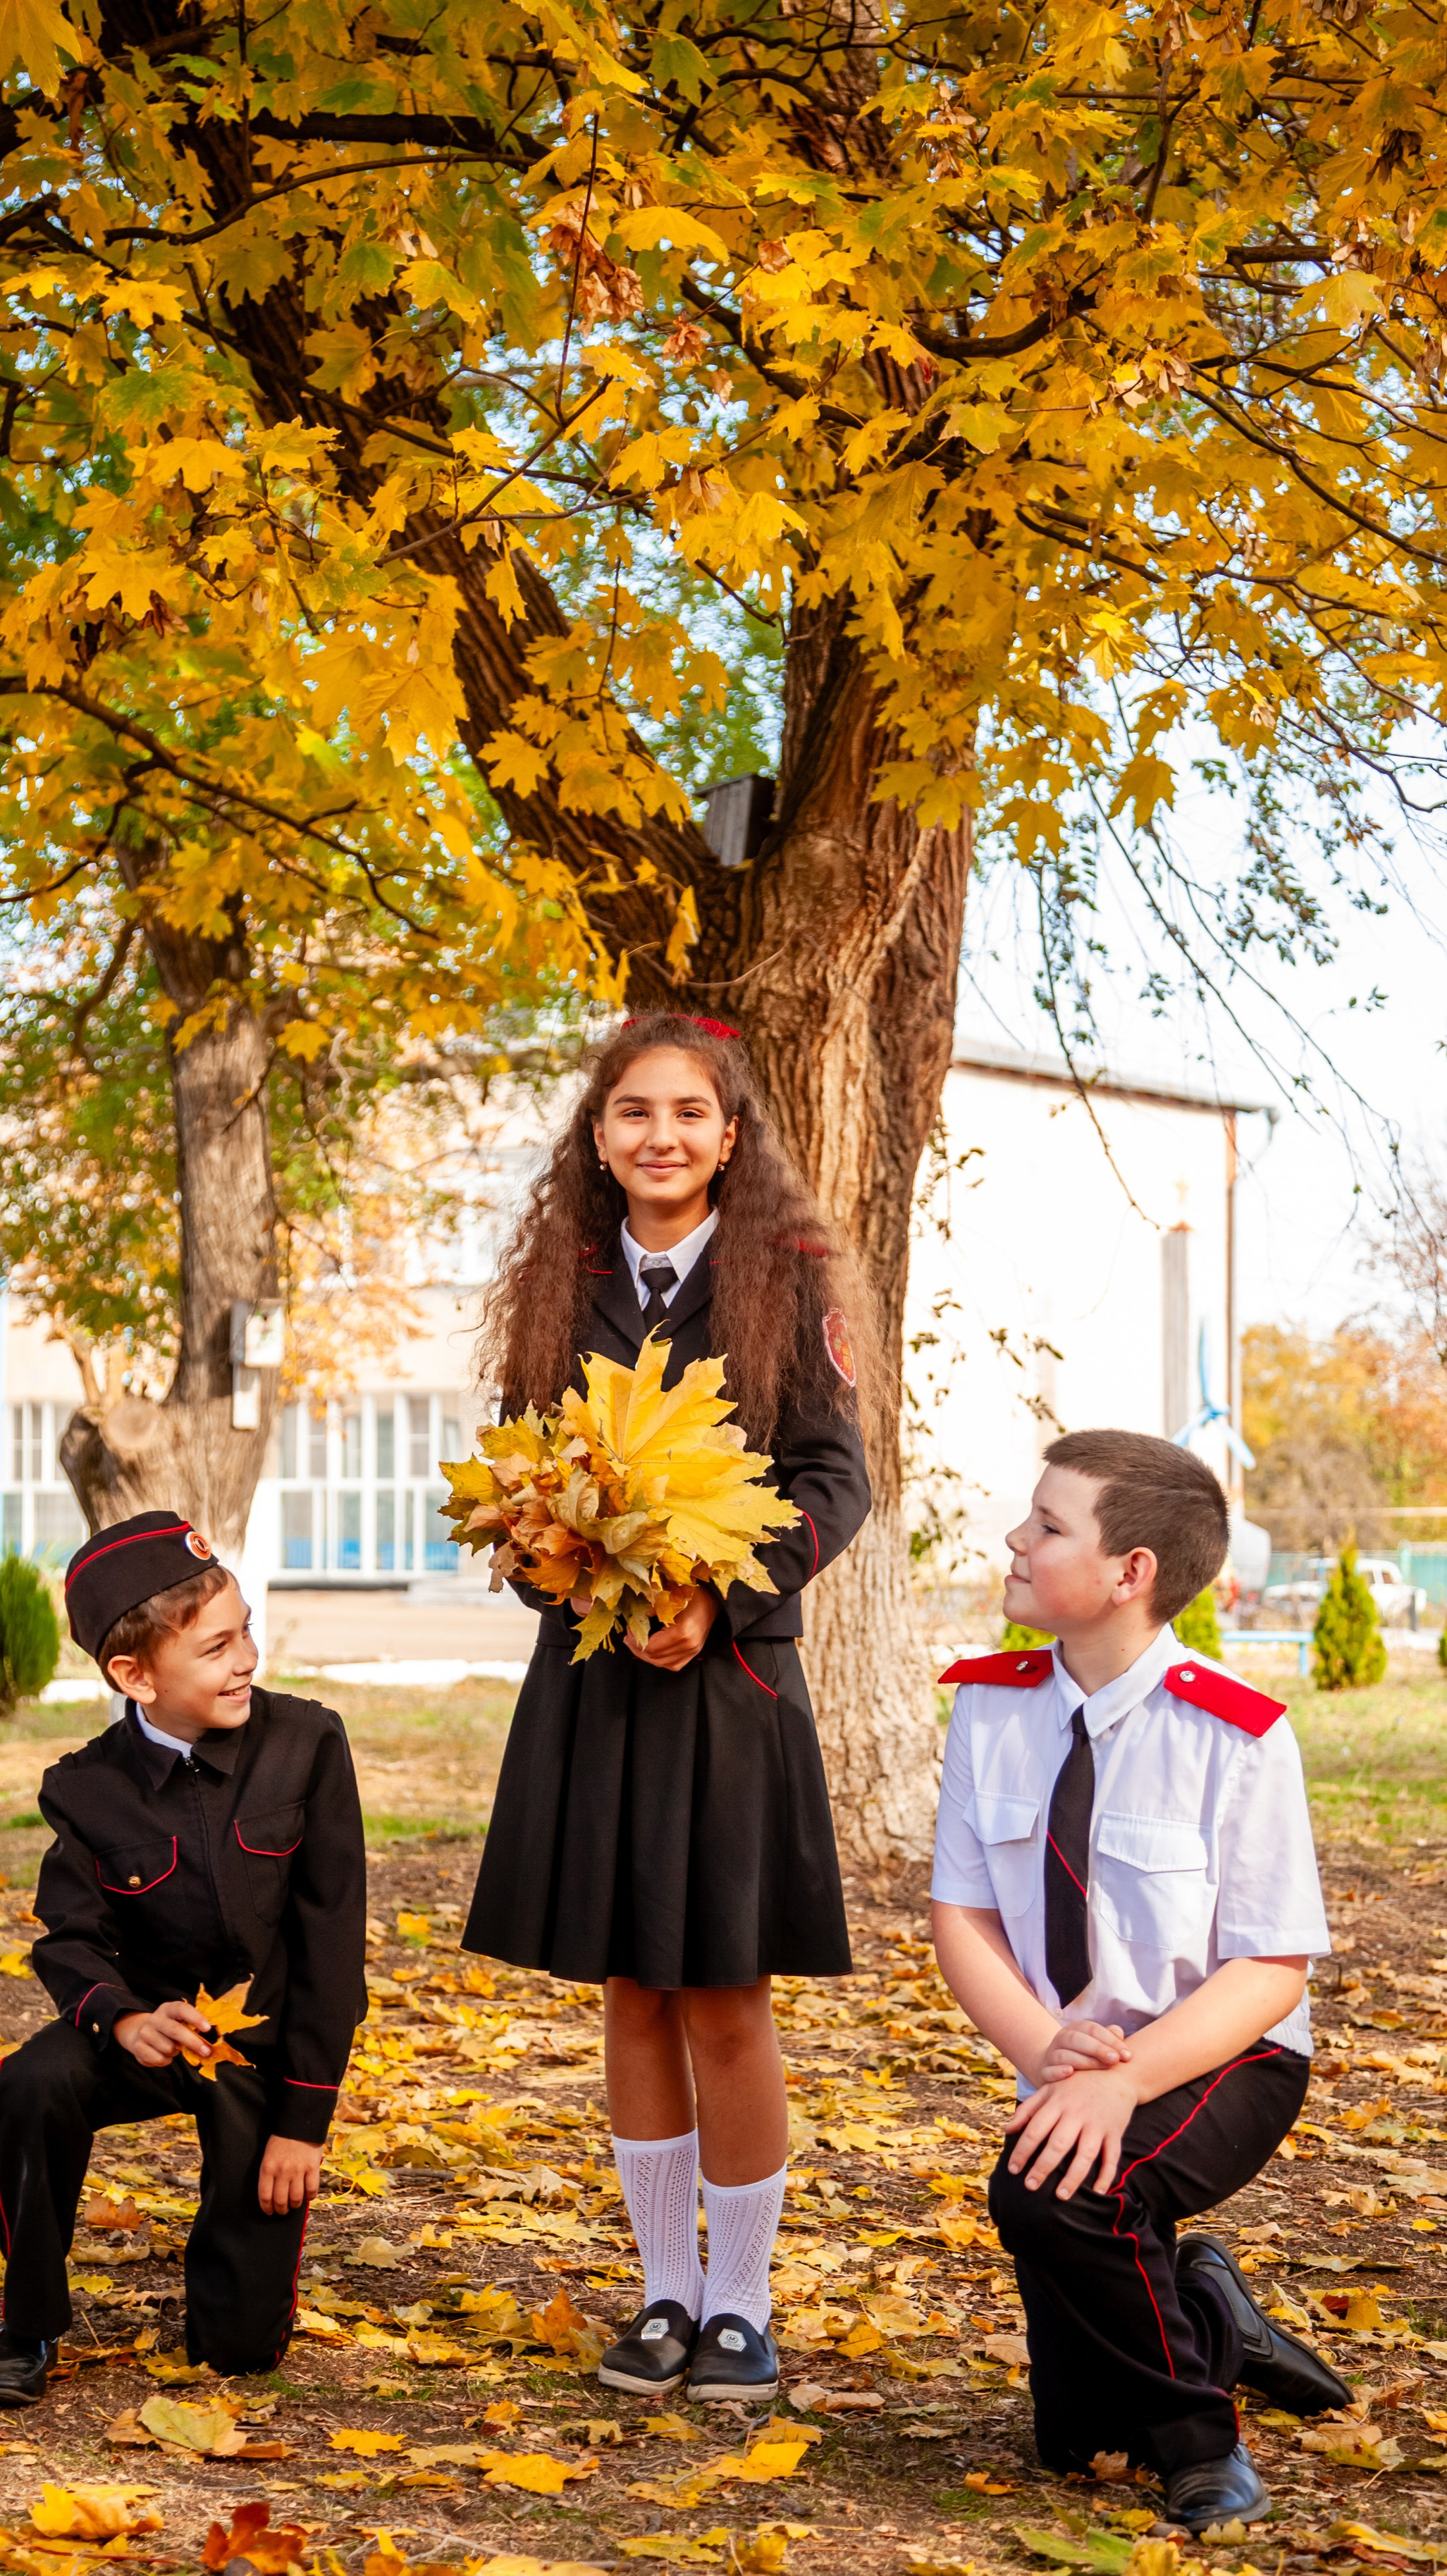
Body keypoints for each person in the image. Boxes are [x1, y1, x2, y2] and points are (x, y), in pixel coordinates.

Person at [462, 1011, 873, 2403]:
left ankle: (742, 2302)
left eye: (688, 1113)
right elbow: (527, 1483)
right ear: (596, 1137)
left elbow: (835, 1480)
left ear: (729, 1137)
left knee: (722, 1997)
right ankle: (661, 2294)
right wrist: (552, 1570)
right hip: (595, 1685)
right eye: (633, 1112)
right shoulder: (555, 1286)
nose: (660, 1136)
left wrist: (719, 1599)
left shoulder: (785, 1275)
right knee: (631, 1994)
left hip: (731, 1689)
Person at [932, 1431, 1350, 2531]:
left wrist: (1123, 2085)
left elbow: (1270, 1967)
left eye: (1049, 1526)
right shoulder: (990, 1707)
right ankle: (1210, 2313)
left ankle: (1204, 2446)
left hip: (1225, 2051)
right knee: (1075, 2445)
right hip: (1071, 2059)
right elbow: (963, 1913)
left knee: (1057, 2189)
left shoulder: (1237, 1734)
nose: (1016, 1540)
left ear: (1133, 1574)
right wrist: (1038, 2048)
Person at [0, 1513, 367, 2408]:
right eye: (217, 1646)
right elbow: (67, 1936)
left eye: (247, 1629)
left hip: (260, 2062)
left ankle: (241, 2301)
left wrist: (304, 2121)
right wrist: (120, 2016)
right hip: (144, 2037)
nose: (247, 1660)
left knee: (237, 2355)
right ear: (134, 1676)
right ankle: (26, 2321)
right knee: (30, 2084)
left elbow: (334, 1944)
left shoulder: (308, 1746)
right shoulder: (84, 1786)